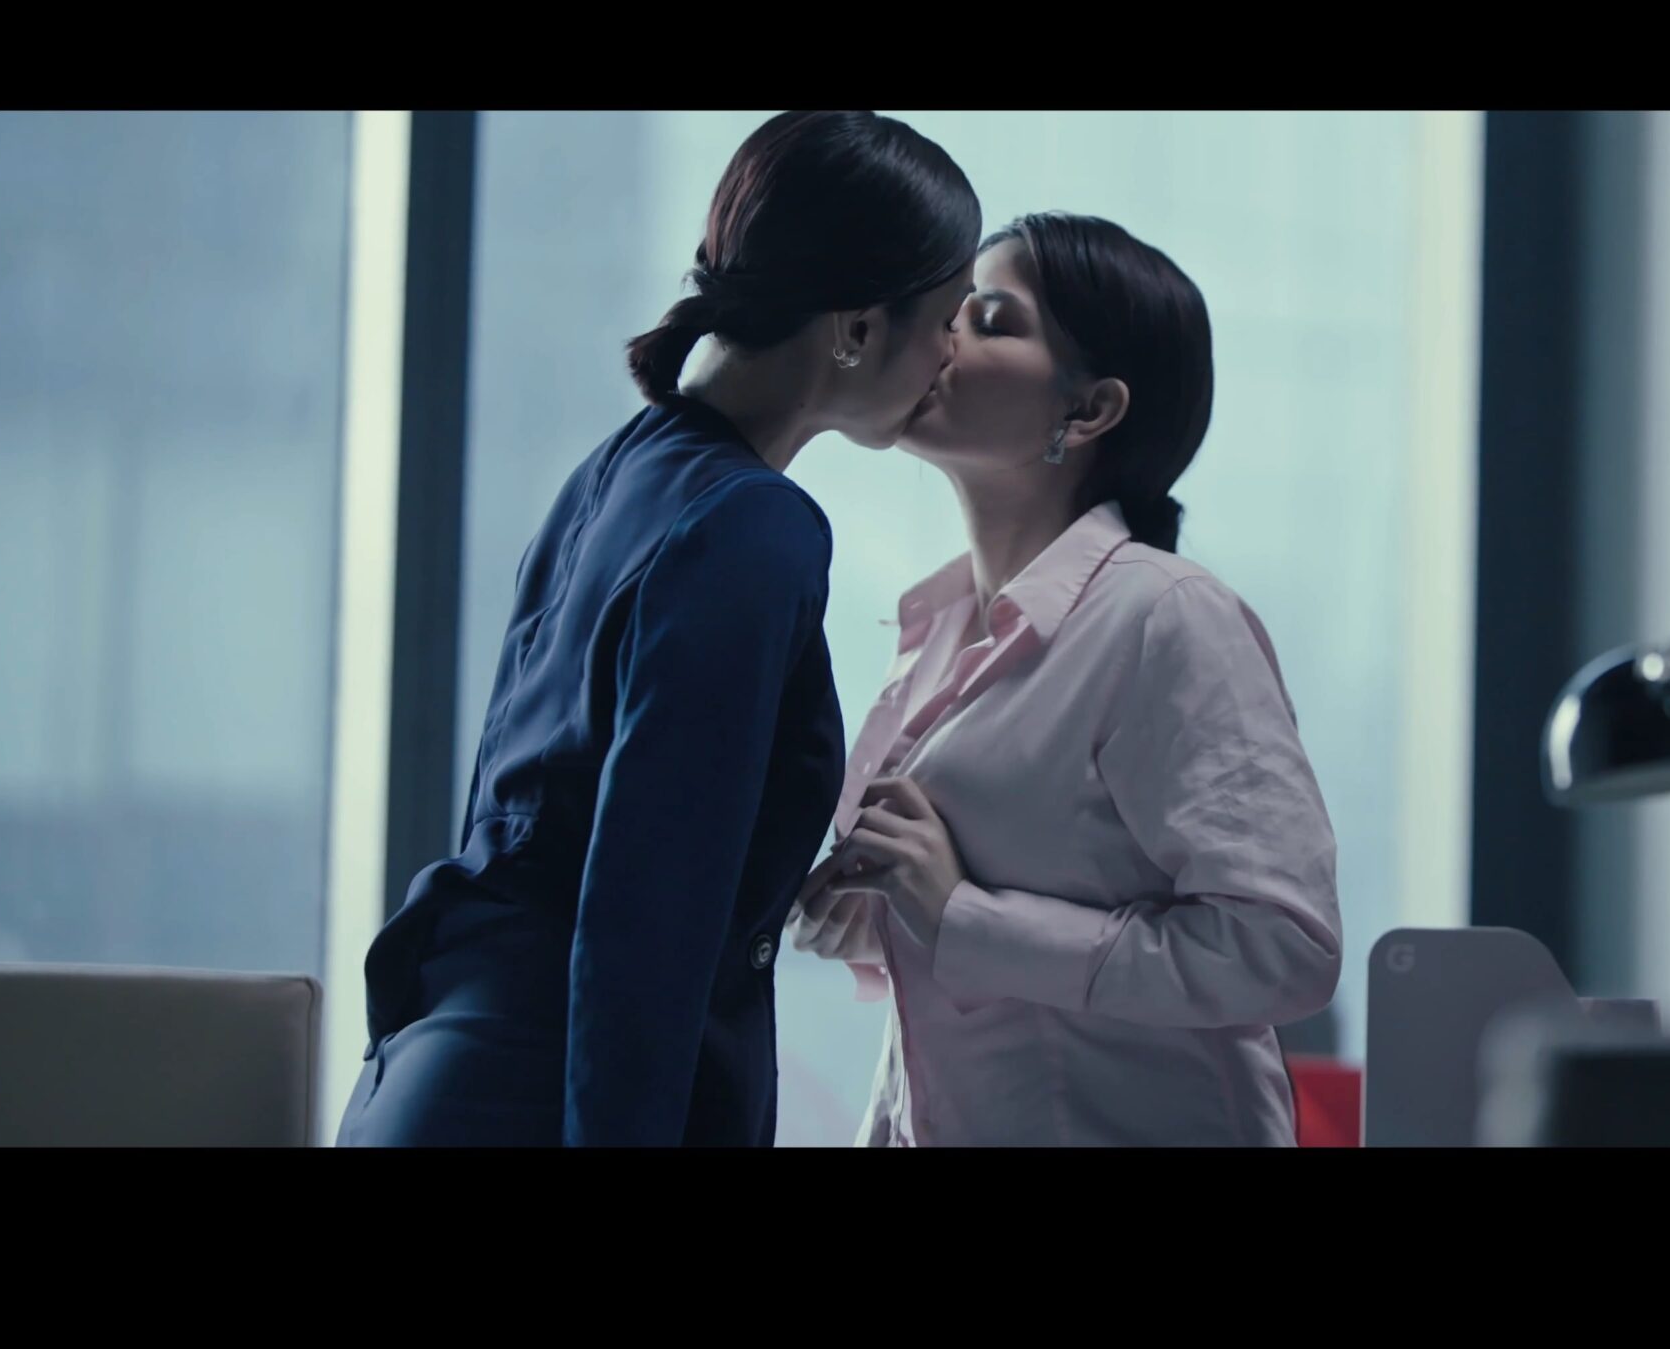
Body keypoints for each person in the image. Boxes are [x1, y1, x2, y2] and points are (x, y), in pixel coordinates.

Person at [337, 111, 979, 1147]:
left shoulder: (618, 471)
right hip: (545, 1099)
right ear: (857, 331)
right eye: (948, 317)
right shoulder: (754, 524)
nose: (953, 353)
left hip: (439, 1075)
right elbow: (648, 916)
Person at [793, 212, 1341, 1146]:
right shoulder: (934, 629)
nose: (942, 334)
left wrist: (964, 917)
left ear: (1087, 411)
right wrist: (874, 917)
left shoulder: (1164, 619)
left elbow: (1284, 948)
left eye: (990, 320)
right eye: (951, 310)